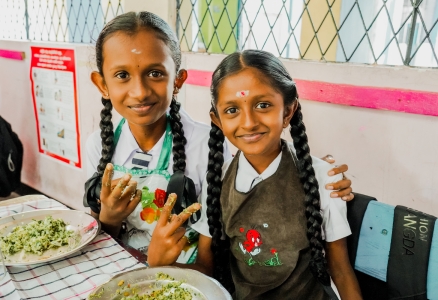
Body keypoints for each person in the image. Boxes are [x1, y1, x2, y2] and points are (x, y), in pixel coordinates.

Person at [84, 11, 353, 273]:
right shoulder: (98, 145)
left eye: (155, 73)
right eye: (122, 75)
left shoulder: (208, 145)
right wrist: (109, 217)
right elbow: (100, 233)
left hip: (189, 274)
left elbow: (249, 190)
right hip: (119, 267)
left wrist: (314, 171)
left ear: (178, 81)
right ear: (102, 84)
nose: (140, 91)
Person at [191, 50, 362, 299]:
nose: (248, 122)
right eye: (232, 110)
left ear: (288, 111)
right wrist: (160, 262)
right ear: (217, 120)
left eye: (263, 105)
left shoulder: (324, 178)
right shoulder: (217, 180)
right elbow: (205, 267)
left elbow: (340, 270)